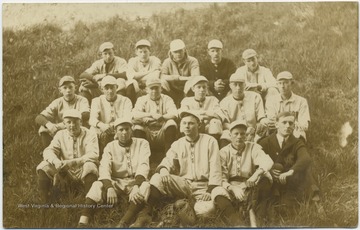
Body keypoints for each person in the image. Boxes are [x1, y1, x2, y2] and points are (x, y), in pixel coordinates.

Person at [129, 110, 224, 227]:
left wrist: (210, 190)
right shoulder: (178, 143)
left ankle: (186, 208)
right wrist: (164, 169)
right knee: (157, 177)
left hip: (203, 187)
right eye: (184, 123)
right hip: (185, 183)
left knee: (205, 211)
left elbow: (216, 168)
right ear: (180, 126)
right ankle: (145, 213)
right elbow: (167, 160)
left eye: (191, 123)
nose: (187, 126)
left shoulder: (210, 141)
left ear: (199, 125)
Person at [77, 118, 151, 228]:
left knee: (145, 186)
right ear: (116, 132)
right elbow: (104, 168)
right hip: (117, 181)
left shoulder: (142, 143)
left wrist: (136, 185)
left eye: (127, 129)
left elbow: (144, 165)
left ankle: (124, 222)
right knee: (97, 185)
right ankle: (83, 222)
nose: (124, 132)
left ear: (132, 130)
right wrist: (109, 187)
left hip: (134, 181)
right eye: (121, 130)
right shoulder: (110, 146)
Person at [258, 112, 320, 218]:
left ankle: (315, 200)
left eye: (290, 123)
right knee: (267, 208)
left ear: (294, 126)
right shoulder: (265, 142)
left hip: (289, 182)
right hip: (271, 181)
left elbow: (305, 158)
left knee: (287, 210)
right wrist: (268, 170)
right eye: (284, 122)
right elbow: (256, 160)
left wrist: (290, 172)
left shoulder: (296, 142)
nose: (287, 126)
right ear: (276, 124)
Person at [214, 120, 274, 226]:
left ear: (246, 136)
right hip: (232, 186)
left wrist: (256, 175)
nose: (239, 137)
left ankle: (259, 218)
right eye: (236, 134)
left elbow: (268, 161)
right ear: (230, 135)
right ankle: (237, 222)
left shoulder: (253, 147)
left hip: (250, 183)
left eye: (242, 134)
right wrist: (233, 189)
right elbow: (221, 178)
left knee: (265, 178)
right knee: (217, 191)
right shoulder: (223, 152)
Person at [36, 109, 99, 203]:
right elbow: (49, 150)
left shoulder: (90, 134)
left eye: (75, 122)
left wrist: (74, 162)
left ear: (81, 122)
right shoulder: (60, 134)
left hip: (82, 169)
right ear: (64, 124)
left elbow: (93, 154)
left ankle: (89, 201)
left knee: (90, 166)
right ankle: (44, 201)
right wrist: (55, 161)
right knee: (43, 165)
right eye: (69, 122)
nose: (72, 125)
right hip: (65, 171)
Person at [35, 76, 90, 149]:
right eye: (65, 88)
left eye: (70, 87)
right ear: (60, 90)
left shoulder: (82, 100)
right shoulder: (57, 102)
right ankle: (49, 151)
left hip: (77, 128)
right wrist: (49, 125)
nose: (68, 90)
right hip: (62, 130)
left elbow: (86, 114)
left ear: (75, 88)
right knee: (43, 128)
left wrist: (63, 124)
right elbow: (39, 117)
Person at [132, 76, 178, 161]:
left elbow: (174, 114)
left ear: (161, 89)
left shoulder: (167, 99)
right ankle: (143, 158)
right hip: (148, 132)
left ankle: (168, 157)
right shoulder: (142, 99)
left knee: (171, 123)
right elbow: (134, 114)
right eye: (151, 88)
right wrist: (151, 115)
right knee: (138, 127)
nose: (154, 91)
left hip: (162, 132)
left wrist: (161, 117)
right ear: (146, 90)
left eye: (157, 88)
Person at [219, 73, 268, 148]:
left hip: (253, 131)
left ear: (245, 85)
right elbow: (225, 123)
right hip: (233, 132)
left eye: (241, 84)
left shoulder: (255, 97)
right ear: (230, 86)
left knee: (264, 140)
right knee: (224, 138)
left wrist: (261, 125)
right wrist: (237, 130)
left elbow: (261, 117)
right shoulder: (224, 102)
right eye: (235, 84)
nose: (238, 88)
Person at [89, 76, 132, 156]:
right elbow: (92, 119)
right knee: (92, 130)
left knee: (129, 129)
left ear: (117, 87)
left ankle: (123, 154)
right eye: (106, 88)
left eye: (112, 87)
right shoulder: (97, 101)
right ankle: (96, 155)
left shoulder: (125, 100)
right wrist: (102, 125)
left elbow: (127, 117)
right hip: (103, 128)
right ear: (102, 89)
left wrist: (115, 126)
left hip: (119, 127)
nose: (110, 91)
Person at [265, 71, 310, 141]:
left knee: (299, 134)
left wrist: (286, 125)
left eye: (285, 83)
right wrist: (292, 123)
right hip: (276, 132)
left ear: (292, 83)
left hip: (294, 133)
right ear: (277, 84)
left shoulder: (301, 101)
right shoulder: (271, 100)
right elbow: (271, 123)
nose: (282, 86)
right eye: (280, 83)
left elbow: (304, 125)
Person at [179, 75, 225, 140]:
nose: (202, 90)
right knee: (186, 122)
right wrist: (207, 114)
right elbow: (182, 114)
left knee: (215, 122)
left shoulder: (213, 100)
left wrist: (202, 116)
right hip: (193, 128)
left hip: (209, 129)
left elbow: (220, 115)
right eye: (199, 87)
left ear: (207, 89)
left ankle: (214, 144)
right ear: (193, 89)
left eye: (204, 87)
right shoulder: (186, 101)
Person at [161, 39, 200, 107]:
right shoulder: (167, 62)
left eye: (180, 51)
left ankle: (188, 105)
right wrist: (180, 78)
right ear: (171, 52)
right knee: (162, 82)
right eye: (175, 52)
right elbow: (162, 76)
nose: (178, 54)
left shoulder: (193, 61)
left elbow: (196, 77)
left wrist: (188, 82)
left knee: (193, 82)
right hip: (171, 90)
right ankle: (166, 105)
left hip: (188, 90)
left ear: (184, 50)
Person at [126, 39, 162, 104]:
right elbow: (131, 76)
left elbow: (154, 77)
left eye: (145, 52)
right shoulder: (132, 61)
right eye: (140, 52)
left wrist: (138, 77)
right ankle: (131, 108)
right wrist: (150, 71)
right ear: (136, 52)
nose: (143, 54)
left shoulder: (155, 60)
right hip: (136, 87)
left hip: (150, 86)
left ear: (150, 52)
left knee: (157, 83)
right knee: (131, 84)